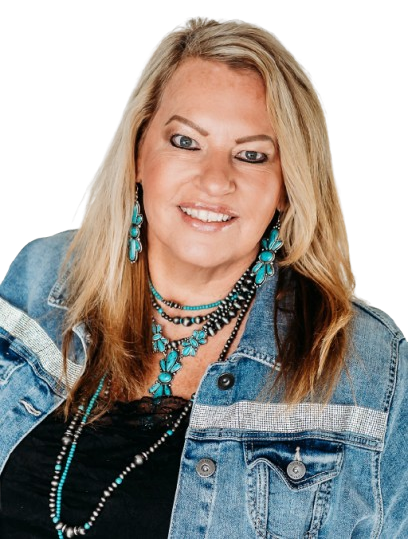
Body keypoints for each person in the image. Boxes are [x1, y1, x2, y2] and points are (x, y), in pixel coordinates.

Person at [0, 16, 406, 539]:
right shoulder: (38, 278)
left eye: (252, 155)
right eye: (186, 141)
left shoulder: (369, 366)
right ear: (139, 152)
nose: (215, 180)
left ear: (287, 185)